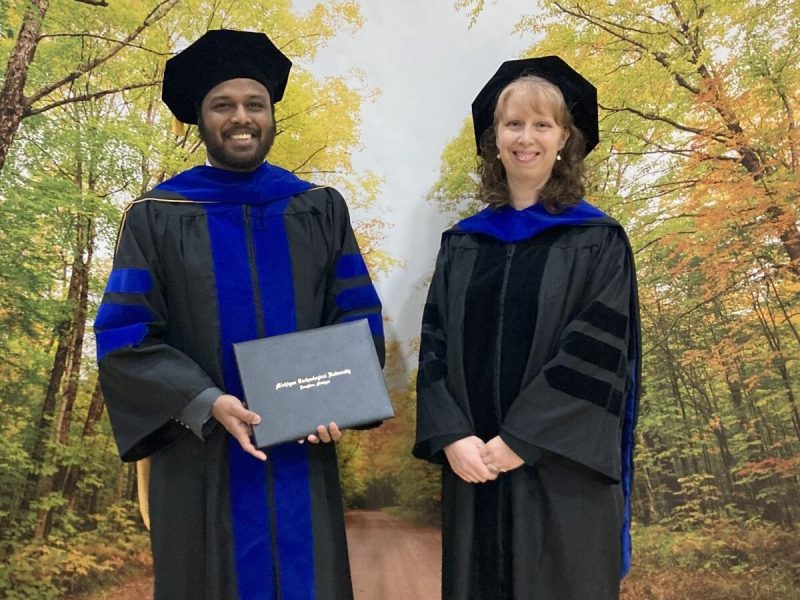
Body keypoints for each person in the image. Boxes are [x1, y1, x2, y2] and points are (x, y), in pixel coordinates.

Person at [94, 29, 384, 600]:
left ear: (273, 115)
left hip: (299, 453)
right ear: (200, 120)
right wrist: (207, 402)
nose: (241, 117)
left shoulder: (319, 209)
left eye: (255, 104)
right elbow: (124, 335)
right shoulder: (156, 216)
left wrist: (333, 402)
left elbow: (357, 319)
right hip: (201, 460)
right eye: (222, 105)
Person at [413, 56, 640, 600]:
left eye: (543, 125)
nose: (526, 138)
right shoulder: (463, 243)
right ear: (495, 139)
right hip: (475, 469)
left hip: (561, 472)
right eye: (513, 124)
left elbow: (599, 355)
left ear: (565, 139)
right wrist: (452, 436)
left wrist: (521, 439)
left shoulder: (598, 240)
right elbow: (435, 344)